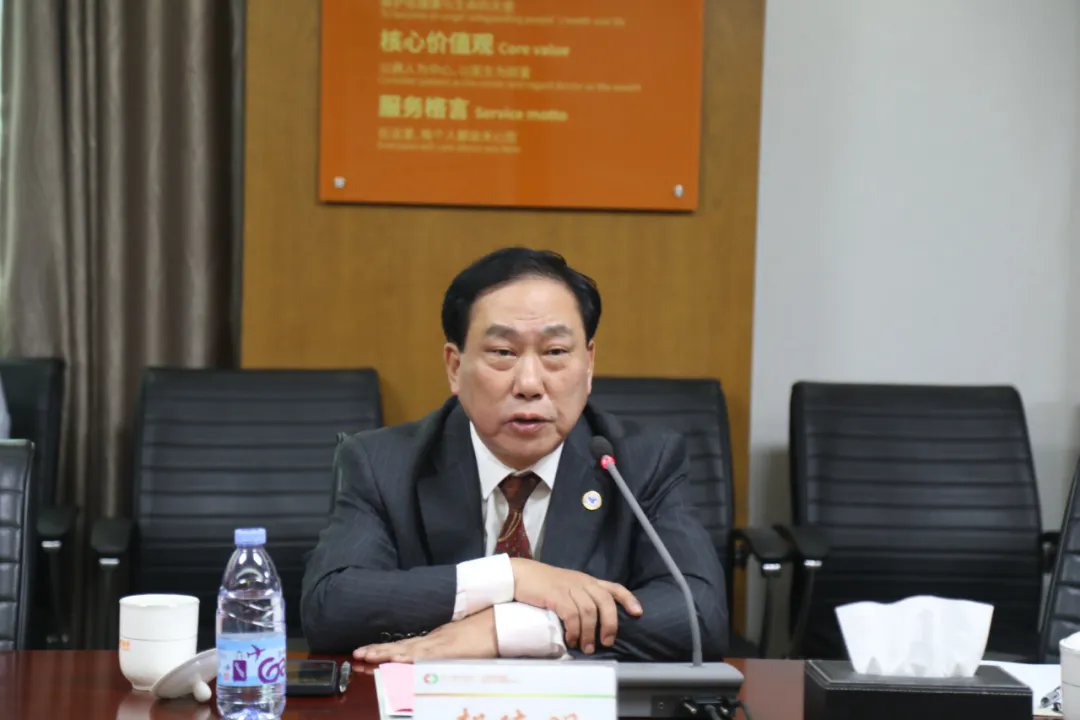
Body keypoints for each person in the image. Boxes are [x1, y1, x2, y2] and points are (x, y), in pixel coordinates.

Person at [301, 247, 728, 663]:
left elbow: (699, 615)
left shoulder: (642, 462)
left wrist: (509, 629)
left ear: (589, 364)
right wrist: (512, 576)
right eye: (503, 353)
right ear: (455, 367)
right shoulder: (380, 463)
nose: (529, 384)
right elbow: (330, 607)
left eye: (555, 353)